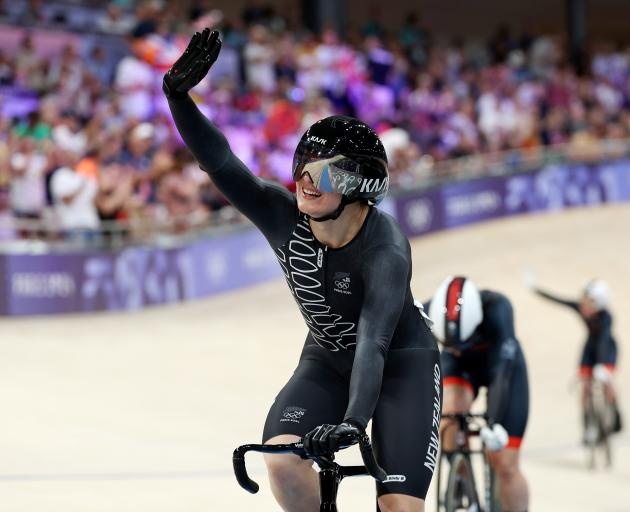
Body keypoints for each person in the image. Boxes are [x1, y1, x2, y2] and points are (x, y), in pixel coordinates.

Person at [163, 29, 441, 512]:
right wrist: (178, 97)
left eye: (326, 172)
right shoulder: (280, 213)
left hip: (401, 365)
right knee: (282, 463)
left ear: (359, 186)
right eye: (303, 164)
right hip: (329, 358)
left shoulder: (386, 248)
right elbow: (222, 162)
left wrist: (354, 422)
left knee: (400, 507)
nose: (307, 180)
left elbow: (374, 341)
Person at [427, 276, 529, 512]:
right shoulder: (430, 309)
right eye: (449, 344)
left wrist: (492, 422)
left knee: (505, 463)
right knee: (450, 413)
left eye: (461, 344)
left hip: (501, 366)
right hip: (461, 369)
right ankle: (459, 479)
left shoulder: (498, 308)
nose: (457, 350)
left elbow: (502, 376)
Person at [531, 278, 622, 435]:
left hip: (606, 349)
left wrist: (602, 365)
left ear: (599, 304)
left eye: (590, 302)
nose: (585, 305)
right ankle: (587, 423)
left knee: (607, 381)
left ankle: (615, 411)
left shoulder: (606, 317)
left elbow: (604, 339)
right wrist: (536, 289)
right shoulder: (581, 307)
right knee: (585, 385)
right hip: (590, 348)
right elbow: (560, 300)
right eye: (584, 300)